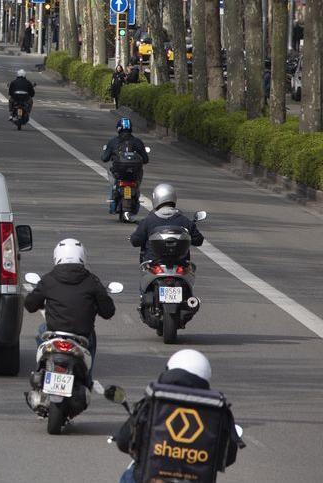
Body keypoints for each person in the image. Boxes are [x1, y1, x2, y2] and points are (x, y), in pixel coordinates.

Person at [114, 350, 241, 483]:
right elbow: (228, 458)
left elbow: (123, 441)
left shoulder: (156, 400)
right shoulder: (215, 409)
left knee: (129, 476)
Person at [23, 238, 116, 382]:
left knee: (41, 331)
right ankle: (87, 379)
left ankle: (42, 368)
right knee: (92, 338)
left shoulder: (49, 279)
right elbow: (108, 311)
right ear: (82, 256)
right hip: (82, 335)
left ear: (57, 256)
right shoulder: (92, 281)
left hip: (54, 333)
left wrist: (41, 300)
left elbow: (30, 305)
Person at [130, 183, 204, 263]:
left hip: (154, 264)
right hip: (180, 264)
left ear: (156, 198)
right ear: (173, 197)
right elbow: (198, 240)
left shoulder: (148, 221)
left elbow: (135, 241)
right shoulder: (185, 221)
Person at [102, 118, 149, 199]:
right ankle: (136, 190)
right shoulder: (138, 142)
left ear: (118, 128)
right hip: (134, 175)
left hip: (118, 175)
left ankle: (114, 190)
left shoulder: (113, 141)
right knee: (140, 171)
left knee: (109, 169)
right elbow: (145, 159)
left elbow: (104, 158)